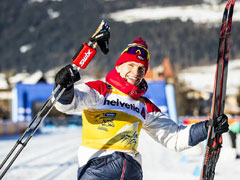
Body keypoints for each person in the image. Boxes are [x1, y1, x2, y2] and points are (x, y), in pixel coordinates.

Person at [54, 37, 229, 180]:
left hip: (131, 171)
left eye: (141, 68)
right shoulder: (100, 90)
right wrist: (65, 86)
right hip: (97, 168)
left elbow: (174, 138)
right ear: (118, 66)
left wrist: (207, 128)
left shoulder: (145, 105)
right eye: (130, 65)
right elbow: (67, 104)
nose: (136, 72)